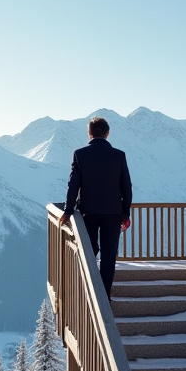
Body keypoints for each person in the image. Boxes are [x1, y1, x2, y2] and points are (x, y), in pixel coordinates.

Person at [61, 116, 132, 298]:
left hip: (88, 212)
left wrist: (68, 210)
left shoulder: (80, 154)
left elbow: (73, 185)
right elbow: (126, 186)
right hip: (113, 213)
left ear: (89, 133)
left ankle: (89, 291)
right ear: (107, 133)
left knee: (89, 251)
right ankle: (104, 296)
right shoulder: (119, 155)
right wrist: (125, 213)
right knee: (109, 255)